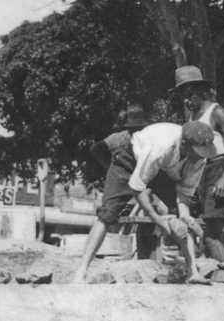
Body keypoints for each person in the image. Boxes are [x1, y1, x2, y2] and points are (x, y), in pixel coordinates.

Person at [72, 121, 216, 284]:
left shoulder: (198, 158)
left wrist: (185, 215)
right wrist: (157, 218)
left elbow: (184, 192)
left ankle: (193, 272)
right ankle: (81, 271)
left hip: (164, 169)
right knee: (108, 213)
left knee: (183, 221)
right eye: (197, 151)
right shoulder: (160, 147)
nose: (200, 156)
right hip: (130, 160)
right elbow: (137, 187)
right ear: (184, 144)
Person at [171, 66, 224, 261]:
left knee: (212, 235)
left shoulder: (217, 112)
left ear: (200, 91)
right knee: (185, 223)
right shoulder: (192, 116)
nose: (186, 101)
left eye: (189, 95)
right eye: (182, 96)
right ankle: (203, 269)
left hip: (218, 169)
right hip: (198, 171)